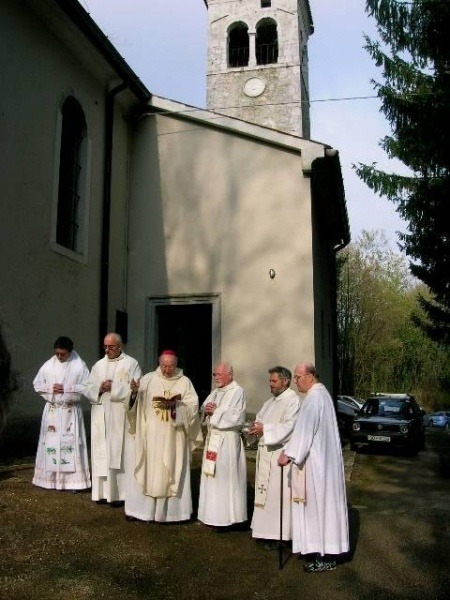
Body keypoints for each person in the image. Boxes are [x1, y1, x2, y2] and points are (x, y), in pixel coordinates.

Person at [278, 362, 349, 572]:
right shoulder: (321, 394)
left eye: (298, 377)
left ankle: (325, 555)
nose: (296, 381)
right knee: (320, 508)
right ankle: (319, 550)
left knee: (318, 509)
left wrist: (288, 454)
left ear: (310, 376)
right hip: (321, 463)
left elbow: (305, 431)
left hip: (317, 466)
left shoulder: (314, 397)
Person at [125, 350, 202, 522]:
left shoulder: (184, 382)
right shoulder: (148, 379)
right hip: (151, 435)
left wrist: (177, 406)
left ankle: (172, 515)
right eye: (164, 366)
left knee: (172, 471)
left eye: (171, 366)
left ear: (176, 365)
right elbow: (133, 406)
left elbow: (193, 408)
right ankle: (144, 512)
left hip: (174, 436)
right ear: (159, 364)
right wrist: (134, 393)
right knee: (150, 471)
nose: (167, 370)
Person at [84, 333, 141, 505]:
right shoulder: (98, 365)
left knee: (120, 453)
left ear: (120, 346)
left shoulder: (131, 363)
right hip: (100, 414)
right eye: (105, 346)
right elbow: (87, 388)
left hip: (120, 415)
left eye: (111, 347)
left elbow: (137, 388)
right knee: (102, 453)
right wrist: (100, 389)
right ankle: (102, 493)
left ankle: (120, 494)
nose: (107, 350)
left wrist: (114, 387)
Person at [248, 366, 301, 547]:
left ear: (285, 381)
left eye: (273, 381)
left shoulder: (293, 401)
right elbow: (260, 419)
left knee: (277, 497)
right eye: (270, 380)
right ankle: (264, 532)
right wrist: (254, 427)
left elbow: (290, 427)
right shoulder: (270, 402)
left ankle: (280, 536)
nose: (270, 384)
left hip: (280, 454)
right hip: (265, 454)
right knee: (264, 495)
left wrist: (265, 429)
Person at [32, 336, 90, 491]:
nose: (59, 357)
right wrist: (51, 388)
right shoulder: (48, 365)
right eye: (57, 353)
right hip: (53, 412)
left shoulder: (79, 366)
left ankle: (74, 482)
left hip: (70, 412)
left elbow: (88, 386)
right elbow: (37, 384)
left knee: (70, 446)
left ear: (70, 352)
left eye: (62, 354)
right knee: (50, 444)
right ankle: (48, 480)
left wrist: (68, 388)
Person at [197, 362, 247, 528]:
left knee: (226, 478)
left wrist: (215, 411)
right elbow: (205, 407)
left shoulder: (237, 391)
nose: (216, 377)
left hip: (227, 442)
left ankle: (228, 518)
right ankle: (210, 515)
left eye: (219, 374)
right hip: (214, 439)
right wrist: (208, 409)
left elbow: (236, 417)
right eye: (215, 374)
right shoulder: (216, 391)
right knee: (211, 476)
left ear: (230, 375)